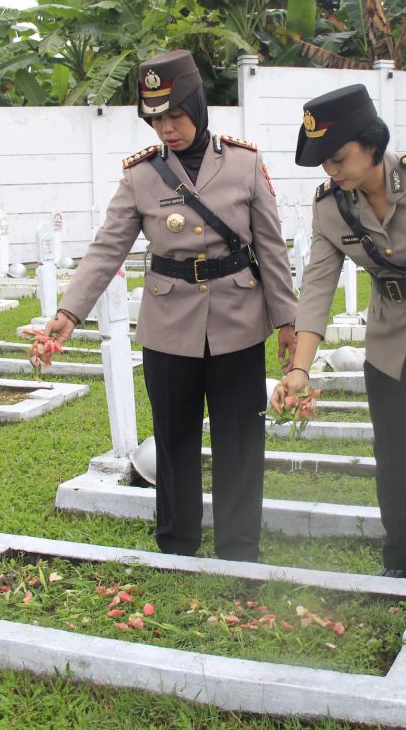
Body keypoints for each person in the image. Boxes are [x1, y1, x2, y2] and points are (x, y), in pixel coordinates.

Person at [43, 49, 298, 562]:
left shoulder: (244, 162)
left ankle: (239, 546)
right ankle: (177, 544)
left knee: (240, 443)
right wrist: (68, 313)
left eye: (175, 115)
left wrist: (288, 321)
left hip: (239, 323)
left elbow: (270, 247)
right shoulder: (141, 175)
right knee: (174, 440)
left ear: (198, 106)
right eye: (156, 119)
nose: (167, 128)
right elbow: (107, 247)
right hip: (168, 327)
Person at [270, 84, 406, 584]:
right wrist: (300, 370)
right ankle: (401, 560)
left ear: (371, 143)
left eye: (338, 157)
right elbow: (317, 289)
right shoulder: (330, 207)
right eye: (323, 162)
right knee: (395, 452)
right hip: (392, 332)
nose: (331, 170)